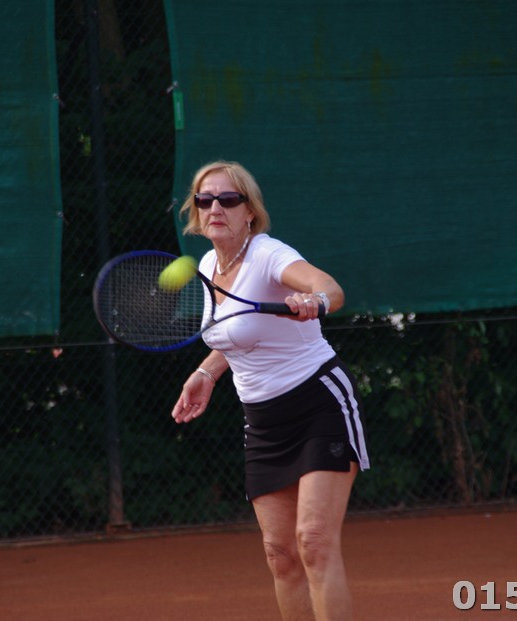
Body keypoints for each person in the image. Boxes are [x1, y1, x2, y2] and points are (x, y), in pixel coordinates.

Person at [170, 160, 370, 620]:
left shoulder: (268, 254)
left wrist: (313, 301)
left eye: (228, 199)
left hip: (319, 404)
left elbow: (330, 288)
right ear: (196, 210)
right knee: (280, 556)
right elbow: (238, 334)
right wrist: (206, 373)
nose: (215, 207)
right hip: (262, 422)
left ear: (249, 212)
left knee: (313, 542)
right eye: (205, 199)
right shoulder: (207, 266)